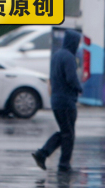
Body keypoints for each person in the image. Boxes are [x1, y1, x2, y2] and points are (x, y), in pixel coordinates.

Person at [32, 30, 83, 172]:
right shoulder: (69, 57)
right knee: (68, 134)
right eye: (77, 42)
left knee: (65, 132)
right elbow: (71, 78)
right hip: (66, 100)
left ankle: (42, 154)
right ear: (73, 42)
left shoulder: (57, 55)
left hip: (56, 100)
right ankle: (63, 165)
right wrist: (79, 88)